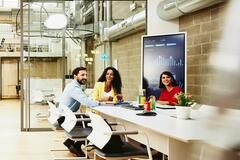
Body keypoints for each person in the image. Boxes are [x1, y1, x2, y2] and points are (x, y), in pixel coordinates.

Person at [58, 67, 100, 157]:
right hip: (65, 119)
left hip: (66, 117)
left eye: (86, 75)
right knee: (96, 125)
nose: (85, 77)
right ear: (75, 76)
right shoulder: (74, 88)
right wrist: (100, 102)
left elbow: (84, 97)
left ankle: (70, 142)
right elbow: (87, 102)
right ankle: (76, 146)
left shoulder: (73, 86)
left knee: (91, 121)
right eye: (82, 75)